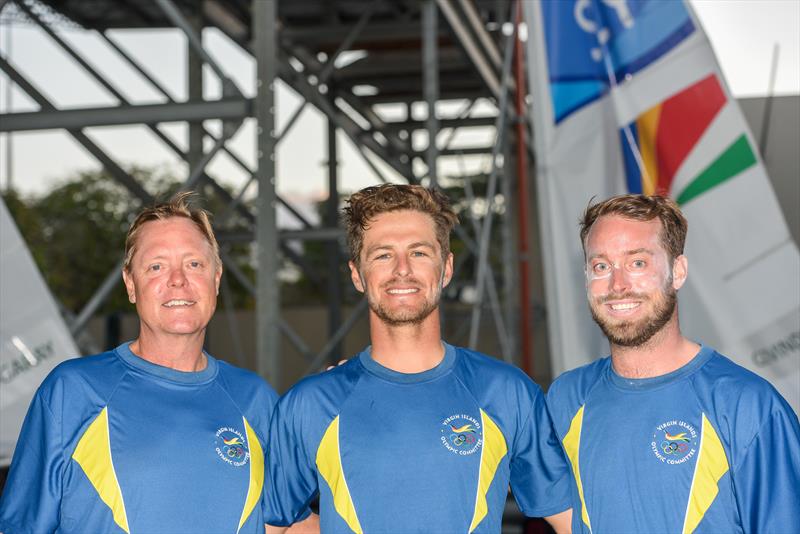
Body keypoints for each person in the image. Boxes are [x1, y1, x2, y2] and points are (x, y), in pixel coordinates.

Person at [264, 184, 572, 533]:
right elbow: (278, 526)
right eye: (382, 255)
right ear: (356, 275)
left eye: (419, 253)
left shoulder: (506, 391)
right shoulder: (310, 403)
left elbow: (573, 521)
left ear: (447, 268)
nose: (402, 270)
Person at [0, 193, 316, 533]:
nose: (178, 279)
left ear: (217, 278)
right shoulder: (73, 391)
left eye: (194, 263)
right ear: (131, 284)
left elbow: (289, 524)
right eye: (156, 266)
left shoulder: (254, 398)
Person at [547, 194, 800, 533]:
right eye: (601, 266)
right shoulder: (566, 398)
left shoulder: (748, 407)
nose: (617, 285)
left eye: (637, 263)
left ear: (677, 272)